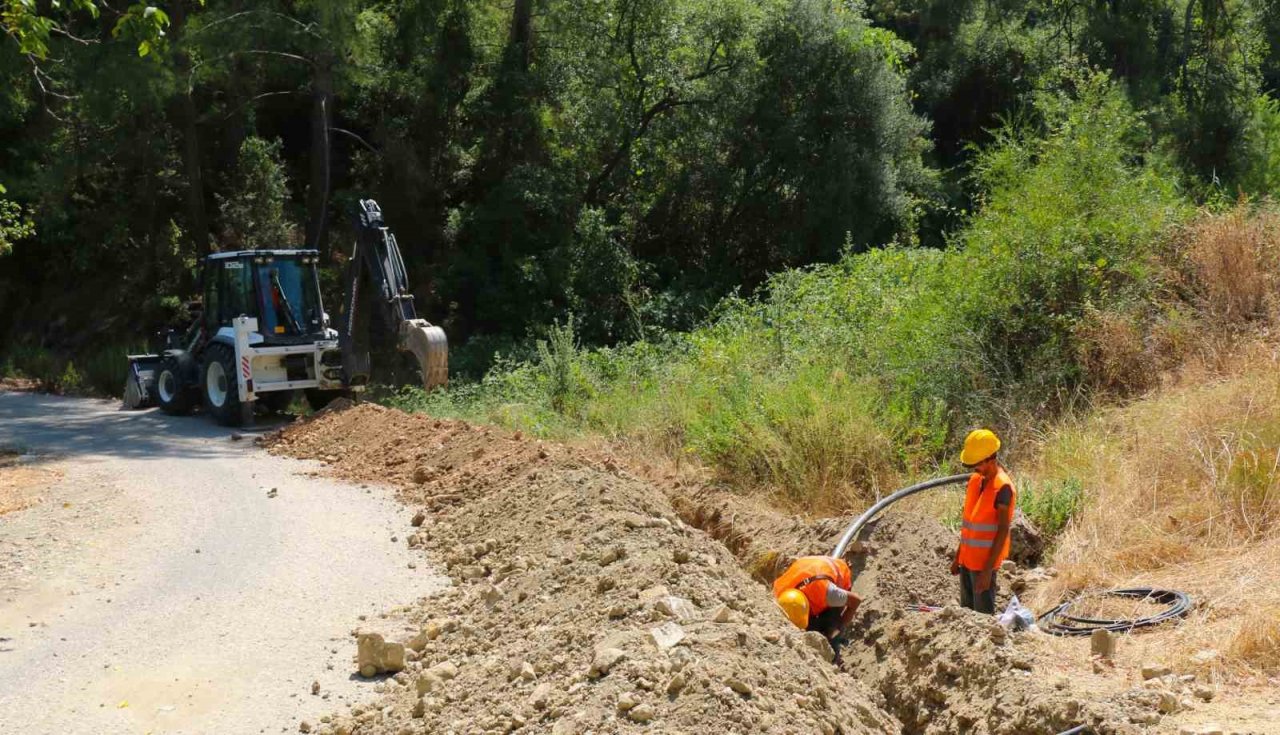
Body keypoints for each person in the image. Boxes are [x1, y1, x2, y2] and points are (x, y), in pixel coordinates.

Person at [951, 428, 1017, 614]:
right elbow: (969, 526)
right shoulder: (976, 481)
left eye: (977, 464)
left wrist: (987, 571)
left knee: (982, 618)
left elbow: (1002, 531)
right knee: (966, 614)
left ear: (990, 458)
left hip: (984, 566)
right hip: (967, 561)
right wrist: (958, 557)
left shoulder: (1002, 487)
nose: (974, 468)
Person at [773, 555, 862, 642]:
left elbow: (856, 600)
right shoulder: (780, 591)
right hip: (809, 567)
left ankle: (833, 643)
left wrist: (840, 626)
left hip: (833, 570)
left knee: (833, 626)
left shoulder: (828, 593)